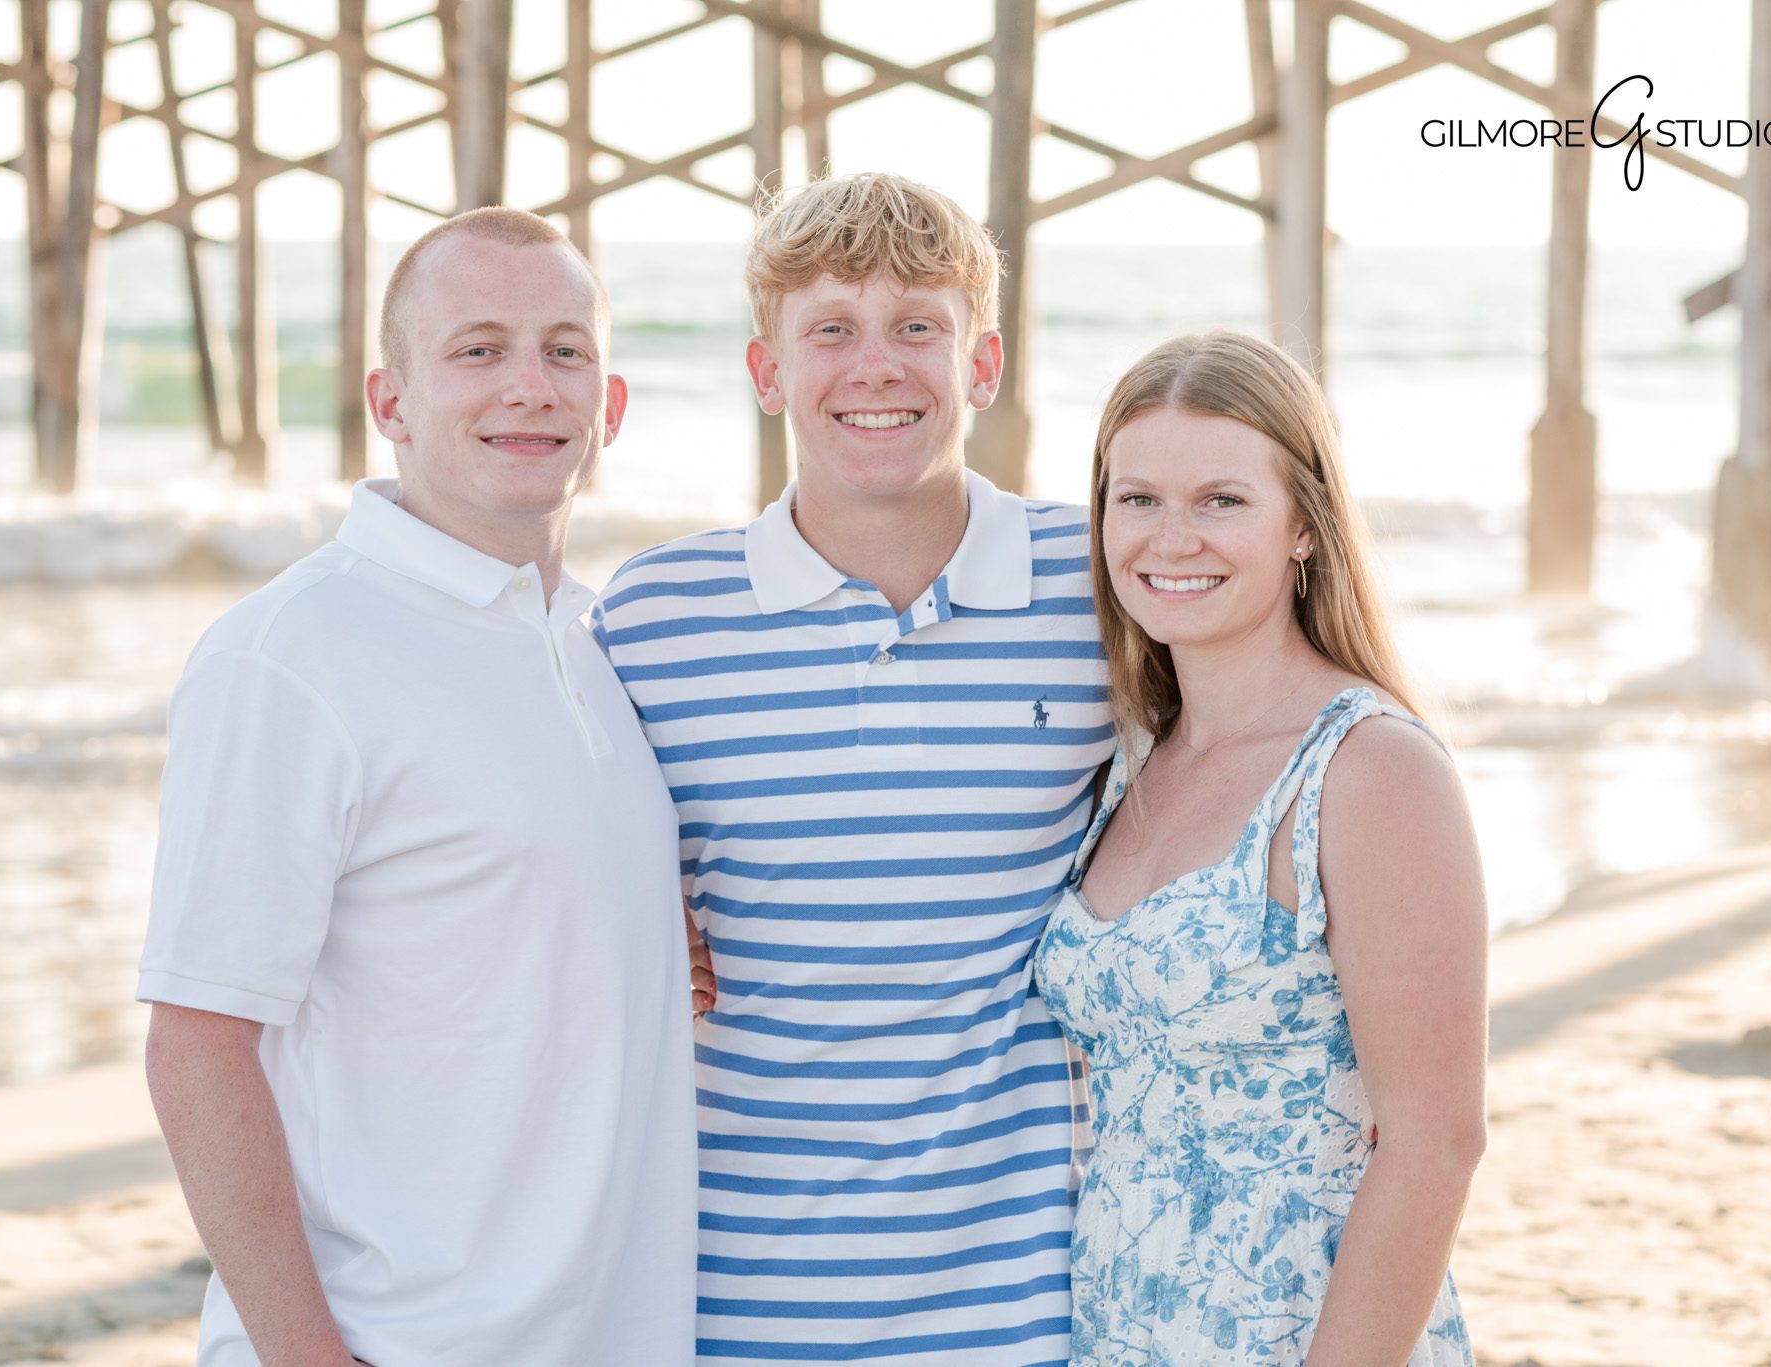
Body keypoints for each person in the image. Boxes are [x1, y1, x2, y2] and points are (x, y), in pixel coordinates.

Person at [138, 207, 701, 1367]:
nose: (529, 386)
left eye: (564, 349)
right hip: (389, 1341)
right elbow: (197, 1040)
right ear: (390, 401)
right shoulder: (290, 654)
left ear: (613, 404)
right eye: (477, 348)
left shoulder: (602, 641)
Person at [593, 173, 1115, 1363]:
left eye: (916, 327)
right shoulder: (651, 621)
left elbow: (1242, 770)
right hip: (728, 1299)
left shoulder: (1098, 588)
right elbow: (531, 852)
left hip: (1028, 1309)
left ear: (980, 366)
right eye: (829, 328)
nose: (873, 365)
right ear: (766, 370)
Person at [1032, 330, 1487, 1366]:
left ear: (1303, 528)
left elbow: (1435, 1141)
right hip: (1121, 1335)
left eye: (1220, 500)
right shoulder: (1130, 757)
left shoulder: (1367, 769)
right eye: (1134, 497)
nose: (1169, 537)